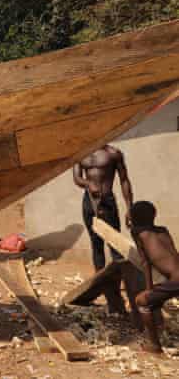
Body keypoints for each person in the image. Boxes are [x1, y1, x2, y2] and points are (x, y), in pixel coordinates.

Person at [73, 145, 133, 270]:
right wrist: (88, 183)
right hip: (89, 201)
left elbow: (124, 179)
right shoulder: (80, 153)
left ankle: (121, 279)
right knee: (96, 243)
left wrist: (129, 207)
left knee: (115, 243)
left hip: (107, 201)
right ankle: (100, 281)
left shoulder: (113, 153)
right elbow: (77, 178)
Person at [130, 201, 179, 354]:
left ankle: (154, 345)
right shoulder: (163, 230)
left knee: (142, 301)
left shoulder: (138, 233)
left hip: (177, 279)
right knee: (155, 300)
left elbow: (145, 263)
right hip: (176, 278)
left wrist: (149, 289)